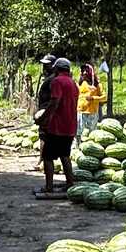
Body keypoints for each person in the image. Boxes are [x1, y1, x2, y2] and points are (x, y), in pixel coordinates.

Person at [36, 57, 78, 193]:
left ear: (57, 68)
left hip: (57, 126)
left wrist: (43, 118)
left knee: (48, 157)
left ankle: (49, 186)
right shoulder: (73, 83)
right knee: (65, 155)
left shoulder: (57, 82)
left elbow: (54, 102)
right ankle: (70, 183)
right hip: (70, 125)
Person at [77, 64, 105, 141]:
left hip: (92, 113)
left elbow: (104, 97)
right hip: (81, 112)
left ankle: (91, 149)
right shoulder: (80, 84)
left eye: (87, 71)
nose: (84, 73)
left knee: (92, 134)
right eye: (83, 71)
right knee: (78, 132)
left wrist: (93, 98)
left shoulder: (97, 85)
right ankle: (78, 146)